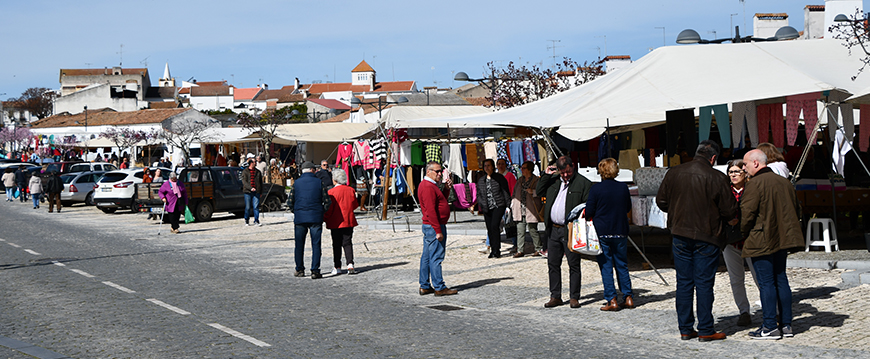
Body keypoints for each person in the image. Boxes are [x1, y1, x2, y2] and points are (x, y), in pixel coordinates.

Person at [656, 140, 738, 342]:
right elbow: (730, 211)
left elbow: (661, 201)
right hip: (706, 236)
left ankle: (685, 328)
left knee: (684, 283)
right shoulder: (717, 177)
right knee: (703, 283)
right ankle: (705, 329)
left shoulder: (674, 172)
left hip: (680, 233)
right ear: (713, 158)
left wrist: (678, 211)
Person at [741, 149, 805, 340]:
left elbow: (747, 215)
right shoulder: (784, 182)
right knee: (781, 279)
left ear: (756, 163)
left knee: (767, 282)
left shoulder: (755, 184)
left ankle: (770, 325)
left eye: (745, 164)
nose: (743, 168)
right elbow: (796, 209)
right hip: (782, 237)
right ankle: (786, 325)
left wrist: (744, 232)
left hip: (762, 239)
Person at [538, 155, 592, 309]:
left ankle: (574, 297)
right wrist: (546, 175)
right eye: (562, 173)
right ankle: (555, 296)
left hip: (571, 230)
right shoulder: (553, 181)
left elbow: (587, 206)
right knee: (553, 264)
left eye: (567, 172)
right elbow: (539, 190)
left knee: (573, 264)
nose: (565, 175)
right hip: (553, 229)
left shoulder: (583, 183)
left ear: (572, 166)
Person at [585, 158, 634, 311]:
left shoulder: (596, 189)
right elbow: (627, 208)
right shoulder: (623, 188)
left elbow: (589, 211)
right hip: (620, 230)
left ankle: (611, 299)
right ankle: (628, 297)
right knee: (622, 265)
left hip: (603, 231)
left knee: (606, 266)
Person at [723, 159, 759, 327]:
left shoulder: (752, 190)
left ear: (745, 173)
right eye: (731, 172)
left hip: (751, 239)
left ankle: (773, 310)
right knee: (736, 278)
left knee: (759, 277)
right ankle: (743, 311)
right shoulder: (725, 192)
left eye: (737, 172)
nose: (734, 175)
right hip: (730, 241)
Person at [418, 161, 458, 296]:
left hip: (432, 225)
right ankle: (439, 287)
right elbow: (431, 211)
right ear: (428, 171)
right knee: (436, 257)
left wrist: (446, 189)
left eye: (441, 171)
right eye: (437, 171)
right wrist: (438, 230)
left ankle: (424, 285)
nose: (440, 174)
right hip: (434, 225)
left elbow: (441, 202)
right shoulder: (428, 187)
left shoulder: (432, 186)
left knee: (427, 257)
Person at [289, 161, 330, 279]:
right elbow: (327, 201)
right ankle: (315, 270)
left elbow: (290, 202)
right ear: (312, 170)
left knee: (299, 245)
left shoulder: (296, 183)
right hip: (315, 217)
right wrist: (321, 211)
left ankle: (300, 269)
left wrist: (296, 211)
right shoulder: (319, 182)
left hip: (300, 217)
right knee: (316, 245)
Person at [324, 169, 359, 275]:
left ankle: (337, 266)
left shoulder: (331, 192)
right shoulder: (350, 190)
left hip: (336, 221)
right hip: (348, 219)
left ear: (334, 180)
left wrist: (325, 218)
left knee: (336, 244)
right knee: (347, 243)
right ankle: (350, 264)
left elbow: (329, 209)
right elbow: (354, 205)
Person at [475, 159, 511, 258]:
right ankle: (492, 249)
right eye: (485, 166)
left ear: (493, 166)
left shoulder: (499, 178)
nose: (487, 168)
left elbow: (505, 192)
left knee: (495, 226)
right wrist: (481, 204)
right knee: (490, 228)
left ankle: (497, 250)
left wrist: (508, 205)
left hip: (498, 205)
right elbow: (479, 194)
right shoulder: (481, 180)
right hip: (487, 207)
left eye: (489, 165)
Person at [510, 161, 543, 257]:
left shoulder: (536, 180)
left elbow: (541, 192)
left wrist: (533, 192)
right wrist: (512, 203)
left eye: (524, 168)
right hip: (520, 209)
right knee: (520, 230)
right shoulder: (520, 180)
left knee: (533, 230)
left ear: (529, 169)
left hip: (531, 208)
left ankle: (538, 248)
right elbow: (515, 192)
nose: (522, 170)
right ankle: (520, 250)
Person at [242, 159, 263, 226]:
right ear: (251, 163)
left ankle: (256, 220)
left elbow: (260, 183)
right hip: (248, 192)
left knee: (256, 207)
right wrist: (250, 188)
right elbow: (244, 182)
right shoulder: (245, 172)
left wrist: (261, 191)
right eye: (254, 162)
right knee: (248, 207)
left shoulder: (258, 172)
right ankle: (246, 220)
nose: (256, 163)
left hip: (257, 191)